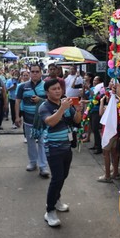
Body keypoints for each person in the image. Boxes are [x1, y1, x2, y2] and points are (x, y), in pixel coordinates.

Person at [38, 77, 86, 227]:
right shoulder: (44, 106)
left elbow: (77, 121)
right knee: (57, 178)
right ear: (47, 92)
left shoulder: (66, 104)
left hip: (66, 147)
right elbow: (50, 122)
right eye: (54, 89)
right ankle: (49, 210)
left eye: (59, 88)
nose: (58, 91)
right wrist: (62, 108)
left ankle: (56, 199)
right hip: (53, 148)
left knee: (63, 176)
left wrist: (78, 110)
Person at [15, 63, 49, 178]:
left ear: (41, 73)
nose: (34, 74)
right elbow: (18, 101)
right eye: (32, 72)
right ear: (29, 73)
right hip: (28, 120)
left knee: (42, 142)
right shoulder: (22, 86)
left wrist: (40, 99)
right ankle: (33, 162)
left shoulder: (46, 86)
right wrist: (17, 117)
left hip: (43, 120)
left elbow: (52, 100)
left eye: (37, 71)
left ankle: (43, 166)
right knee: (30, 143)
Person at [98, 78, 120, 183]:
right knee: (114, 153)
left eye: (113, 82)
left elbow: (101, 114)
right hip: (116, 130)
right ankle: (115, 173)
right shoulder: (118, 99)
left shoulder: (114, 99)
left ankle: (107, 175)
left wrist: (101, 102)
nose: (111, 83)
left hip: (109, 130)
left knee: (106, 153)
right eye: (111, 81)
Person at [88, 76, 104, 153]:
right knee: (93, 129)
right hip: (91, 110)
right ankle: (96, 144)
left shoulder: (101, 89)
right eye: (93, 80)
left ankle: (99, 147)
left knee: (95, 129)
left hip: (97, 111)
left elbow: (95, 98)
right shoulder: (92, 88)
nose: (94, 81)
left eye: (96, 80)